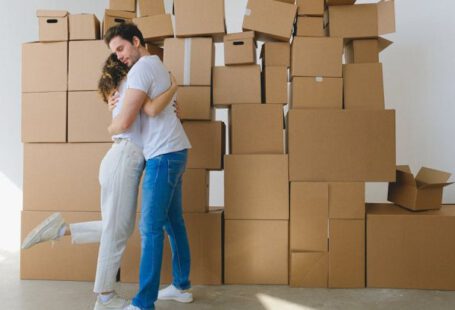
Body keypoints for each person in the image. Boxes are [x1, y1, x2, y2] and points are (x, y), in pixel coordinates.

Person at [21, 52, 178, 310]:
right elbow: (150, 110)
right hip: (124, 159)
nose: (134, 61)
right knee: (117, 232)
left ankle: (60, 230)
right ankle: (105, 297)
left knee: (118, 228)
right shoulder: (131, 86)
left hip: (123, 159)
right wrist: (172, 89)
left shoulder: (123, 89)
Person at [105, 23, 193, 310]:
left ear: (136, 40)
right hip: (176, 150)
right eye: (114, 52)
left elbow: (131, 119)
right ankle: (181, 286)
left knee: (150, 228)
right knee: (173, 222)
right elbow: (152, 109)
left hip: (163, 156)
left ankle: (144, 303)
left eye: (121, 48)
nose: (118, 56)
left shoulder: (141, 69)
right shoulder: (157, 64)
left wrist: (111, 126)